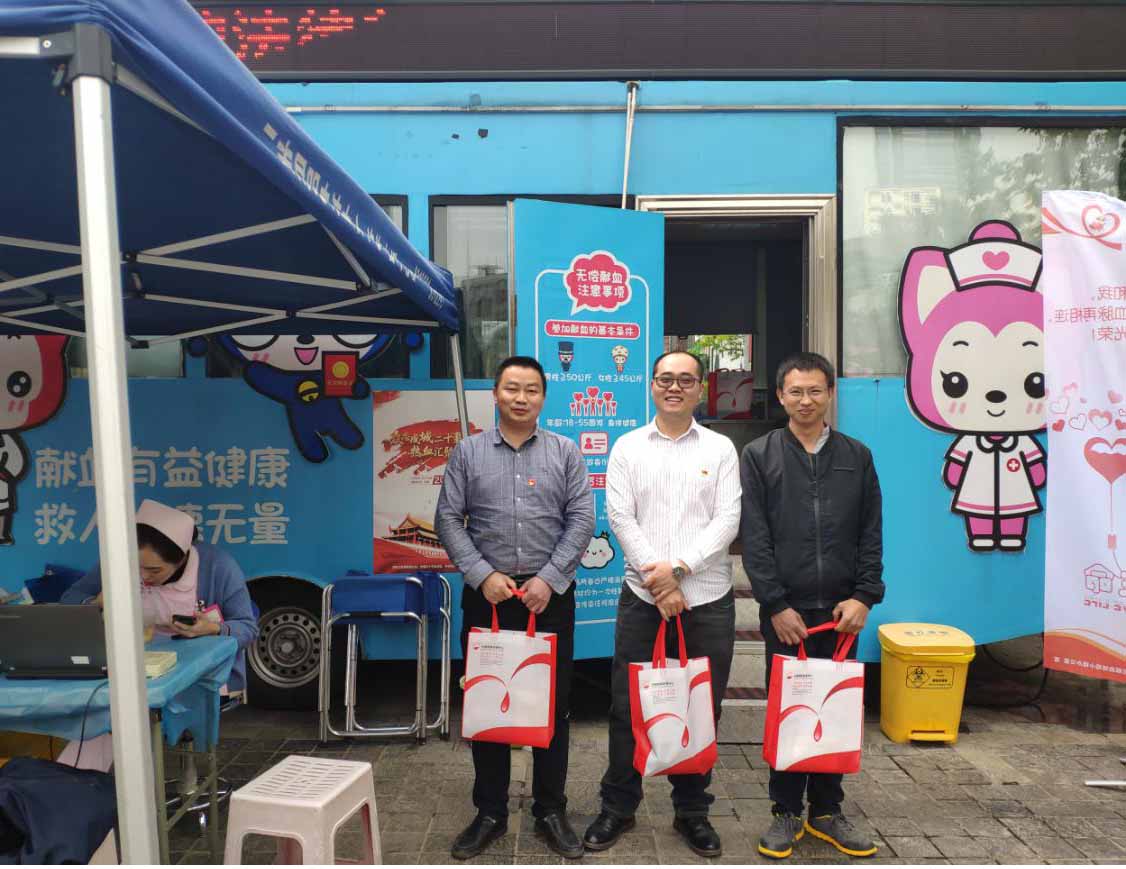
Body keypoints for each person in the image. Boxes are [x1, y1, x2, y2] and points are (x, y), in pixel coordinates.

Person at [435, 355, 595, 860]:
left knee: (552, 707)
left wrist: (549, 578)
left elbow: (582, 518)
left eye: (531, 390)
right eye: (511, 388)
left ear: (543, 397)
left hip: (549, 600)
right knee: (489, 705)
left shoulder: (565, 452)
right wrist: (482, 575)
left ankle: (550, 808)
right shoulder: (468, 452)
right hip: (489, 598)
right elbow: (448, 519)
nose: (521, 398)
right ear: (496, 394)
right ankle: (490, 811)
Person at [584, 350, 741, 858]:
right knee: (627, 706)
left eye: (686, 380)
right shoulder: (628, 447)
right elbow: (619, 516)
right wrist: (661, 581)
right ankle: (618, 805)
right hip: (642, 599)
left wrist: (680, 570)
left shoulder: (720, 449)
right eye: (666, 378)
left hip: (707, 600)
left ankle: (692, 812)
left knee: (701, 707)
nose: (675, 387)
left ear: (700, 389)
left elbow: (728, 519)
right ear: (652, 385)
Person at [740, 352, 884, 860]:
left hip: (843, 612)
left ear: (830, 394)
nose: (806, 400)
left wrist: (864, 595)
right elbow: (754, 537)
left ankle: (826, 811)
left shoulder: (856, 456)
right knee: (792, 709)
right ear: (780, 396)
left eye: (815, 391)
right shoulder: (759, 455)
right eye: (796, 391)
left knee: (836, 708)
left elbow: (871, 532)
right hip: (788, 613)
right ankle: (785, 811)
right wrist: (775, 604)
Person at [61, 498, 258, 693]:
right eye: (136, 567)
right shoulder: (118, 560)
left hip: (198, 673)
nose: (143, 576)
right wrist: (95, 603)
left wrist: (212, 629)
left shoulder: (218, 567)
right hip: (132, 667)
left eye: (154, 570)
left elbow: (248, 628)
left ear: (182, 559)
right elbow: (70, 597)